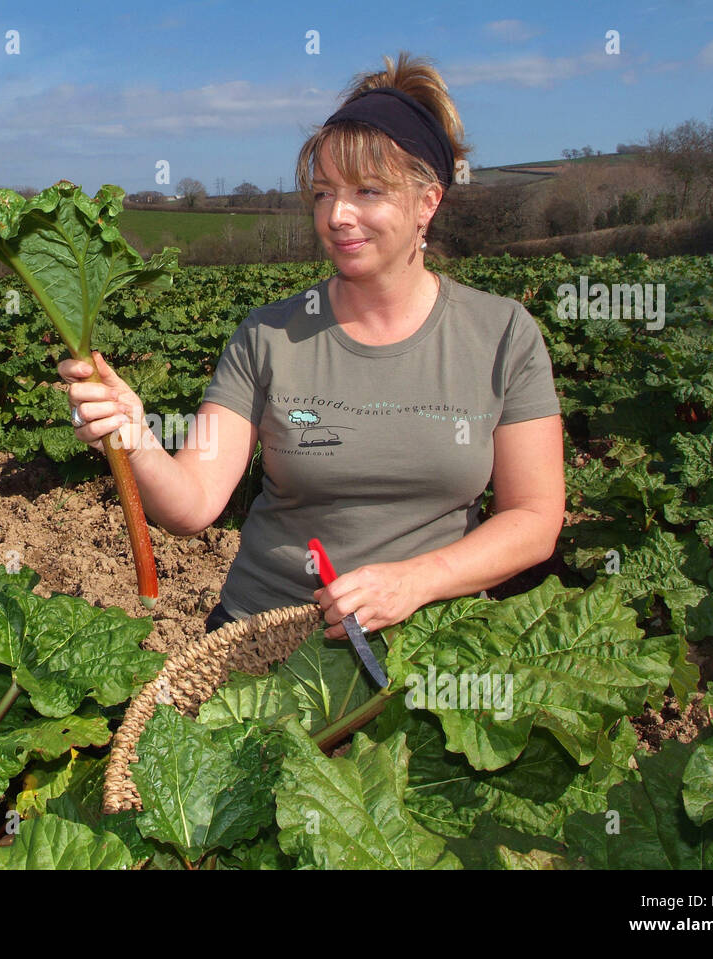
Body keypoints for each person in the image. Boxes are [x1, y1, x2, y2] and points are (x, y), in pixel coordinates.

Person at [58, 52, 564, 641]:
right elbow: (191, 506)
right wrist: (134, 435)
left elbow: (534, 519)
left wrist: (416, 581)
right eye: (323, 193)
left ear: (429, 202)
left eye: (367, 191)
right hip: (264, 635)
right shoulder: (270, 335)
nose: (338, 216)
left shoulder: (501, 334)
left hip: (430, 646)